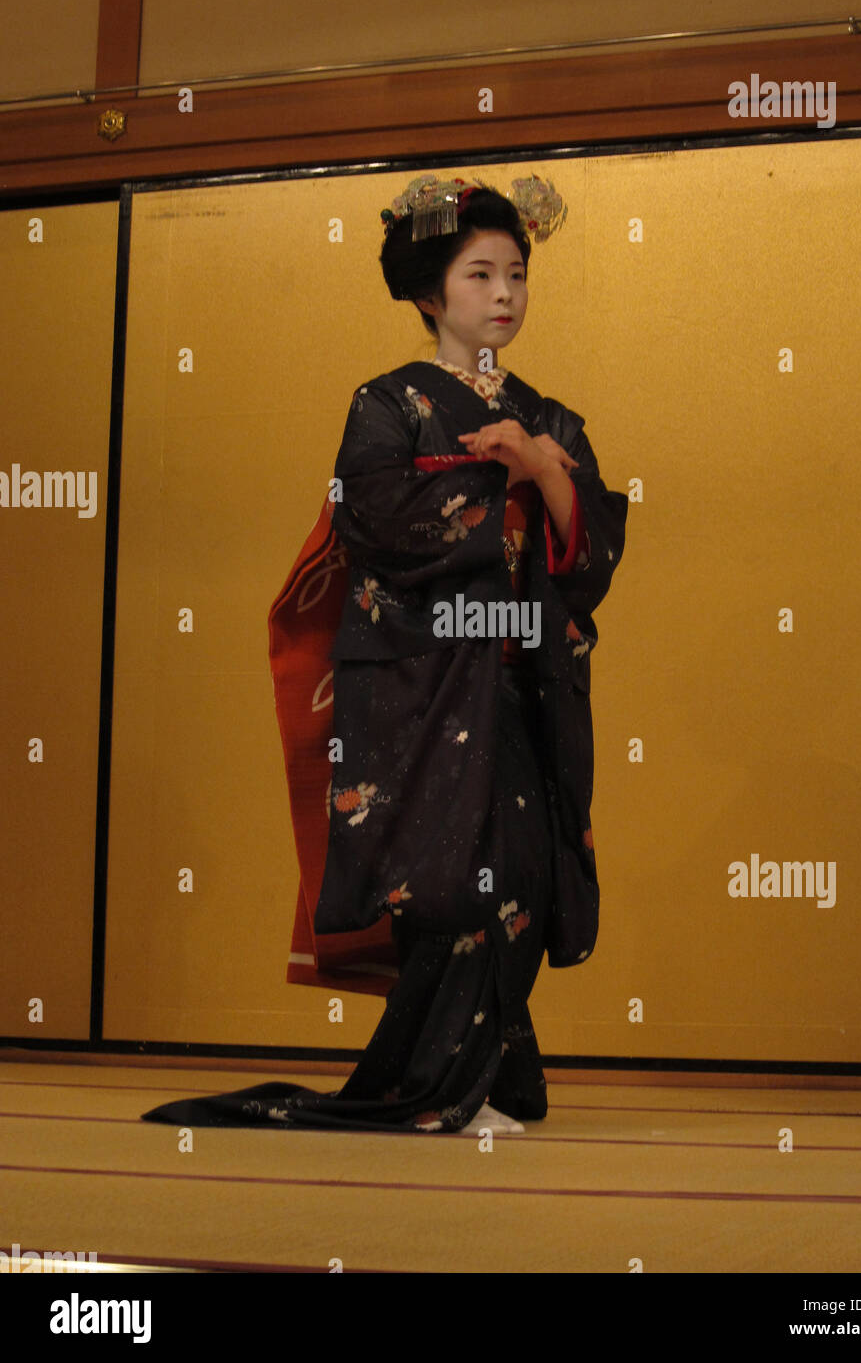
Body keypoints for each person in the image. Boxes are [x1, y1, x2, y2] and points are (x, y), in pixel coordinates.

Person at [143, 173, 628, 1136]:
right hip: (424, 685)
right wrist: (513, 489)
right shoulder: (388, 404)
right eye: (480, 273)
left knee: (521, 878)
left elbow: (593, 554)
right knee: (445, 883)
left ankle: (473, 1083)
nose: (504, 294)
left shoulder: (551, 419)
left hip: (521, 685)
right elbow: (382, 522)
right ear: (428, 293)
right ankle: (443, 1086)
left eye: (517, 274)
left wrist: (535, 465)